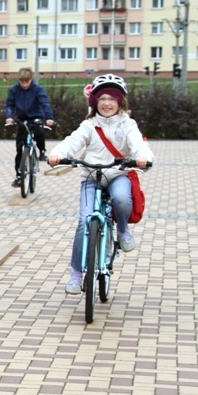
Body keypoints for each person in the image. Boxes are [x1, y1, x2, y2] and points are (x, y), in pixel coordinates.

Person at [47, 74, 153, 295]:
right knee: (84, 221)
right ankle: (76, 274)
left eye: (112, 99)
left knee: (122, 199)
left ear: (120, 102)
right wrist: (57, 154)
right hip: (91, 177)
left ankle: (123, 231)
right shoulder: (89, 125)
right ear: (94, 102)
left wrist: (142, 158)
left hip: (117, 174)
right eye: (102, 98)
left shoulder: (127, 124)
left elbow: (138, 144)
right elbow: (72, 142)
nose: (107, 103)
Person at [5, 67, 55, 187]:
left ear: (31, 79)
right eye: (22, 82)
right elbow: (10, 105)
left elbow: (44, 103)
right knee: (20, 149)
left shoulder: (37, 89)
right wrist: (9, 116)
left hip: (35, 117)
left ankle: (42, 151)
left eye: (26, 82)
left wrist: (49, 118)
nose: (24, 84)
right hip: (22, 119)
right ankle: (19, 175)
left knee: (39, 132)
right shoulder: (14, 90)